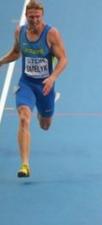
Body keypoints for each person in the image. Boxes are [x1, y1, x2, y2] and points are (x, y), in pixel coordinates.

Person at [0, 0, 67, 178]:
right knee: (23, 118)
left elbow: (63, 59)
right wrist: (1, 61)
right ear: (26, 16)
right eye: (31, 17)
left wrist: (52, 78)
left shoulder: (51, 34)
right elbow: (16, 52)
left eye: (37, 17)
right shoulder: (20, 32)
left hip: (45, 87)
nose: (35, 20)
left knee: (45, 125)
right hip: (27, 84)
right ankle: (25, 164)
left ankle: (43, 110)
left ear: (42, 16)